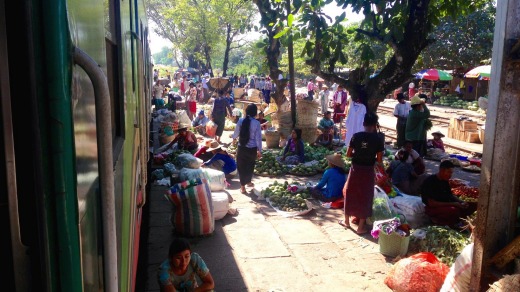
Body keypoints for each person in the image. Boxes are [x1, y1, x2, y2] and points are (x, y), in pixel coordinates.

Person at [340, 112, 385, 235]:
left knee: (350, 192)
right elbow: (380, 160)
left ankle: (346, 221)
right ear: (375, 125)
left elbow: (348, 154)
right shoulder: (378, 139)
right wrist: (369, 156)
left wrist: (359, 154)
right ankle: (360, 227)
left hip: (355, 168)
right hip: (368, 170)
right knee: (366, 195)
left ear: (364, 123)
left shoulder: (356, 136)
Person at [421, 160, 477, 228]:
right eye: (449, 172)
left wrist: (461, 201)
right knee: (453, 210)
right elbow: (431, 203)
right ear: (441, 170)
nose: (450, 175)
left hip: (447, 205)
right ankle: (438, 220)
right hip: (432, 208)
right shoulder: (430, 181)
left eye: (451, 173)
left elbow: (450, 195)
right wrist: (453, 204)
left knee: (472, 205)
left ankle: (457, 219)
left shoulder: (445, 181)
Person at [232, 103, 262, 194]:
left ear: (246, 111)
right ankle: (248, 181)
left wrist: (233, 139)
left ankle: (242, 187)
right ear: (255, 113)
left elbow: (236, 133)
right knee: (250, 165)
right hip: (252, 149)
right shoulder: (257, 123)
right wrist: (259, 150)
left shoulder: (241, 120)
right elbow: (258, 138)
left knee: (241, 166)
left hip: (241, 148)